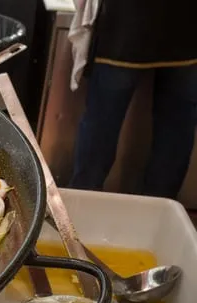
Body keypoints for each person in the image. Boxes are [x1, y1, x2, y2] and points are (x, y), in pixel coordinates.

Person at [68, 0, 197, 199]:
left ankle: (82, 202)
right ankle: (160, 212)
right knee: (176, 129)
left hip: (124, 31)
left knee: (102, 123)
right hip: (186, 32)